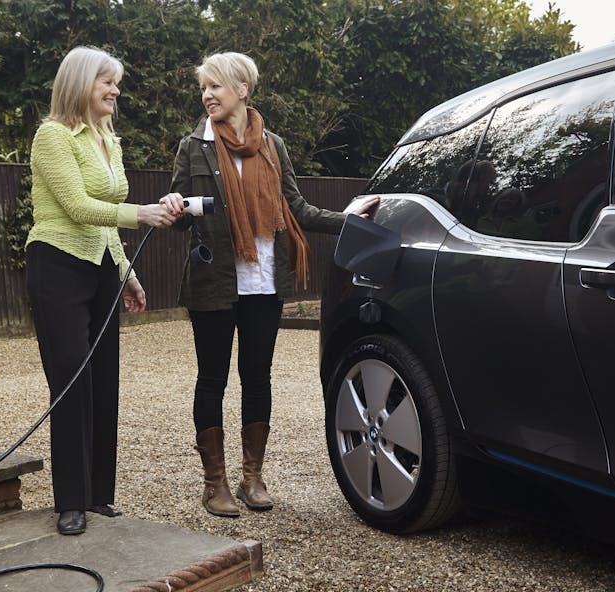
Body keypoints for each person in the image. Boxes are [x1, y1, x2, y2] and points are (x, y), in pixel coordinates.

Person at [166, 52, 379, 517]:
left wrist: (347, 219)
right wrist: (174, 207)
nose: (207, 95)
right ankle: (215, 484)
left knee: (257, 376)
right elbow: (182, 218)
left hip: (263, 278)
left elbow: (296, 208)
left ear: (242, 90)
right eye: (203, 88)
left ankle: (253, 477)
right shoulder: (193, 147)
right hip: (213, 282)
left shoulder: (273, 145)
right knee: (212, 379)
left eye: (215, 86)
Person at [25, 46, 181, 535]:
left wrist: (126, 271)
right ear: (80, 84)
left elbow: (105, 220)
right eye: (106, 81)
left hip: (102, 268)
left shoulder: (108, 138)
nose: (115, 90)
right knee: (71, 378)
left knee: (102, 379)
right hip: (57, 264)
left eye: (116, 82)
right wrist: (142, 214)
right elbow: (76, 206)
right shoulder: (53, 136)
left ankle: (97, 495)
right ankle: (70, 501)